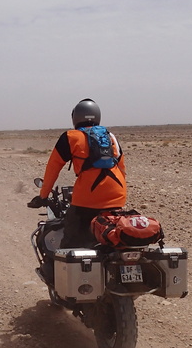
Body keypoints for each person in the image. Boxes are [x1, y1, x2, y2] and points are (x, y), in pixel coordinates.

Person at [28, 98, 127, 248]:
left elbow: (53, 169)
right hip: (117, 198)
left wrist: (43, 196)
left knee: (70, 243)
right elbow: (122, 168)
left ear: (75, 117)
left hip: (86, 200)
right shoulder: (110, 137)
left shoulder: (70, 137)